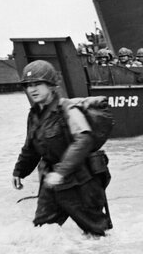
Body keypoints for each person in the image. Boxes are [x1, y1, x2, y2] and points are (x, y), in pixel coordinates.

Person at [12, 60, 112, 236]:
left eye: (37, 84)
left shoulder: (68, 109)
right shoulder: (34, 114)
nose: (32, 89)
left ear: (51, 86)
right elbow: (31, 147)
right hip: (51, 183)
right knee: (42, 233)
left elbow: (84, 139)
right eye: (28, 85)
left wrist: (61, 172)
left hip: (81, 183)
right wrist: (19, 171)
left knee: (96, 235)